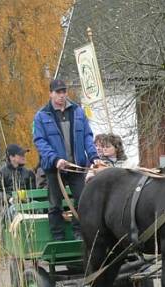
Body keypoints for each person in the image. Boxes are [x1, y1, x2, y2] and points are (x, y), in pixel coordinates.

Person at [32, 79, 101, 241]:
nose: (62, 95)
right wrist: (55, 160)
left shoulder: (78, 112)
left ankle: (79, 234)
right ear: (51, 94)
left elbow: (87, 137)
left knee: (82, 200)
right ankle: (58, 238)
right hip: (54, 169)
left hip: (76, 166)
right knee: (55, 205)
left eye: (64, 91)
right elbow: (40, 142)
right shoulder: (42, 116)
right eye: (58, 92)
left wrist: (94, 157)